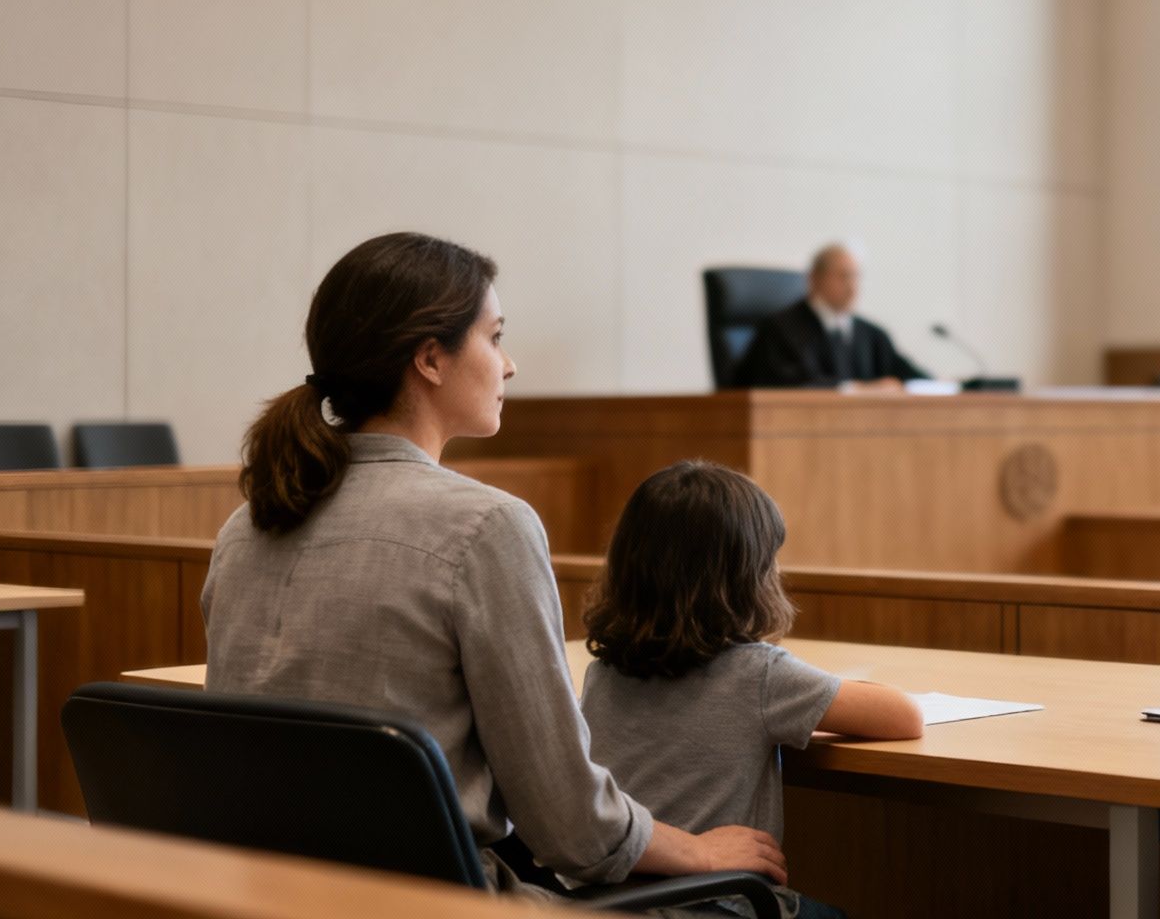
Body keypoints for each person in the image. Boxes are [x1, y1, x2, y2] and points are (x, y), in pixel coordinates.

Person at [204, 232, 786, 899]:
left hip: (265, 901)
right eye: (494, 337)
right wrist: (702, 850)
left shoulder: (245, 527)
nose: (508, 366)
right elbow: (573, 829)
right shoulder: (485, 527)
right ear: (430, 358)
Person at [579, 460, 924, 919]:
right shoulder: (759, 675)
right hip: (717, 904)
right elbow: (904, 715)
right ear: (749, 579)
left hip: (607, 902)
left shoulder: (602, 673)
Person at [733, 244, 927, 388]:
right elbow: (790, 386)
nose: (852, 287)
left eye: (855, 276)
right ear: (814, 279)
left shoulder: (871, 334)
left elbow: (908, 376)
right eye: (843, 276)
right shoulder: (781, 330)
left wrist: (946, 385)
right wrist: (858, 389)